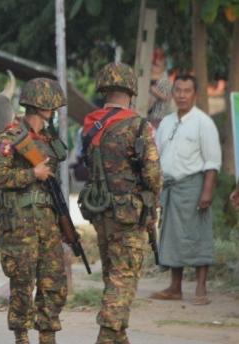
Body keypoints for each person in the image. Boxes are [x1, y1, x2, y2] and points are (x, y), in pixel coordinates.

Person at [78, 62, 162, 344]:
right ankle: (106, 337)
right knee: (123, 279)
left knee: (113, 278)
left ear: (103, 90)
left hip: (100, 211)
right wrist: (154, 202)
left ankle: (118, 337)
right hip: (128, 215)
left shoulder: (90, 125)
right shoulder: (138, 126)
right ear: (131, 90)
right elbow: (152, 173)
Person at [0, 78, 68, 344]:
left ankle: (47, 335)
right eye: (51, 105)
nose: (54, 110)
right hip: (20, 226)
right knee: (23, 285)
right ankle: (21, 336)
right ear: (39, 105)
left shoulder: (50, 141)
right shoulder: (9, 139)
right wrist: (32, 174)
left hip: (48, 224)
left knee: (54, 284)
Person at [150, 74, 221, 305]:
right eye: (178, 90)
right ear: (173, 93)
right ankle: (175, 287)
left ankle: (201, 288)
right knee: (172, 237)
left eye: (187, 91)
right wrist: (156, 189)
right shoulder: (166, 122)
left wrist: (207, 192)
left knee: (198, 235)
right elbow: (157, 157)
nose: (181, 95)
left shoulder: (203, 122)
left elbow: (212, 162)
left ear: (195, 94)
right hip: (170, 187)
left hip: (194, 187)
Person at [147, 48, 174, 127]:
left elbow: (147, 105)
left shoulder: (163, 82)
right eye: (153, 64)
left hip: (157, 121)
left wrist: (151, 89)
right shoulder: (154, 80)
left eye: (156, 65)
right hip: (156, 120)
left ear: (163, 66)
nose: (152, 67)